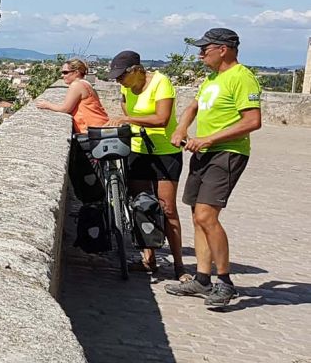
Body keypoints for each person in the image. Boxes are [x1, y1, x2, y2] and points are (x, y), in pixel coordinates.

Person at [164, 28, 262, 309]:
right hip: (203, 152)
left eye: (205, 48)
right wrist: (182, 127)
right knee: (197, 215)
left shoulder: (242, 77)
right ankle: (202, 278)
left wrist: (208, 138)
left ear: (224, 49)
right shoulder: (212, 78)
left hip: (227, 153)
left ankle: (225, 282)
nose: (200, 53)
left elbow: (252, 121)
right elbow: (192, 107)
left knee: (207, 216)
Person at [109, 50, 185, 279]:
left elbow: (162, 118)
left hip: (165, 151)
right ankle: (148, 259)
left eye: (121, 76)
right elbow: (125, 106)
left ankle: (179, 266)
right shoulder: (125, 87)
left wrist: (128, 120)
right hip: (138, 149)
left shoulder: (161, 83)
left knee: (167, 208)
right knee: (141, 205)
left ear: (136, 70)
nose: (119, 81)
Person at [36, 58, 109, 132]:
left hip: (93, 130)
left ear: (76, 72)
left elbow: (65, 109)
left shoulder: (76, 85)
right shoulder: (86, 84)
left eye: (65, 72)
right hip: (99, 126)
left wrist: (47, 105)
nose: (62, 75)